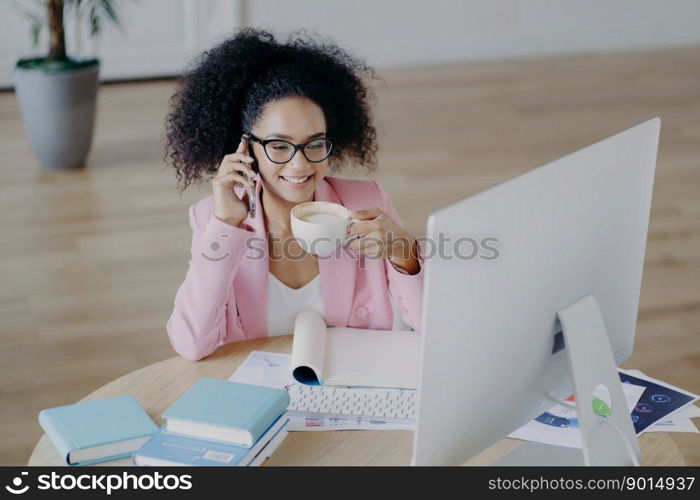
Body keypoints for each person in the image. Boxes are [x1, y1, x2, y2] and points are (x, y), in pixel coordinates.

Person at [165, 28, 423, 361]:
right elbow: (191, 344)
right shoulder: (215, 220)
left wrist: (405, 253)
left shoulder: (365, 203)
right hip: (261, 397)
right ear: (246, 147)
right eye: (279, 146)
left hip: (352, 390)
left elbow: (431, 326)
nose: (300, 165)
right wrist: (227, 222)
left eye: (315, 144)